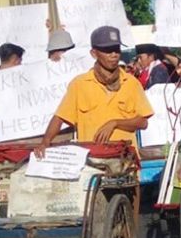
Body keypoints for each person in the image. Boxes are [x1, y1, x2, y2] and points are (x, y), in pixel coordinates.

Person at [34, 26, 154, 157]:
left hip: (125, 163)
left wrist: (115, 123)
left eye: (116, 50)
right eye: (107, 51)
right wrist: (45, 142)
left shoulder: (131, 83)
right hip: (92, 162)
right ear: (94, 53)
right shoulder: (79, 84)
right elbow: (60, 117)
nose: (113, 55)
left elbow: (143, 122)